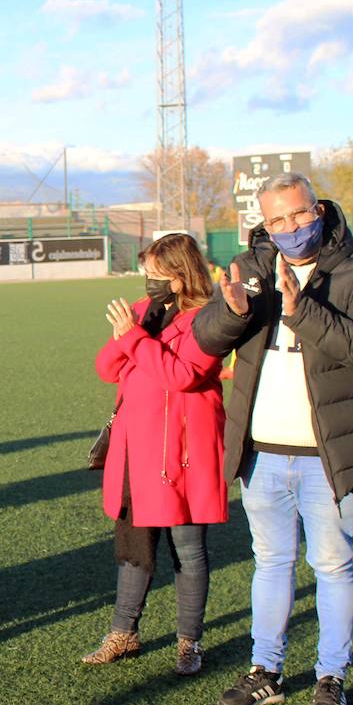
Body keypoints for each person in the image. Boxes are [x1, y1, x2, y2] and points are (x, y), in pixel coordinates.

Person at [194, 172, 353, 705]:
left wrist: (300, 307)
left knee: (333, 566)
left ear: (320, 209)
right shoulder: (249, 267)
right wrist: (231, 310)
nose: (289, 228)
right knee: (271, 563)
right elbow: (205, 342)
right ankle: (267, 671)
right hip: (261, 453)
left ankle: (332, 678)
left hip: (329, 456)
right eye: (276, 220)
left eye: (299, 214)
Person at [84, 233, 226, 676]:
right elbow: (107, 369)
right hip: (134, 452)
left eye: (156, 275)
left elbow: (182, 376)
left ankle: (189, 642)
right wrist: (124, 335)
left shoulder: (209, 318)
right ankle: (122, 634)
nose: (148, 282)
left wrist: (135, 341)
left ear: (182, 277)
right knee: (134, 547)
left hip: (181, 453)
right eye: (146, 273)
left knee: (188, 549)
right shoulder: (144, 313)